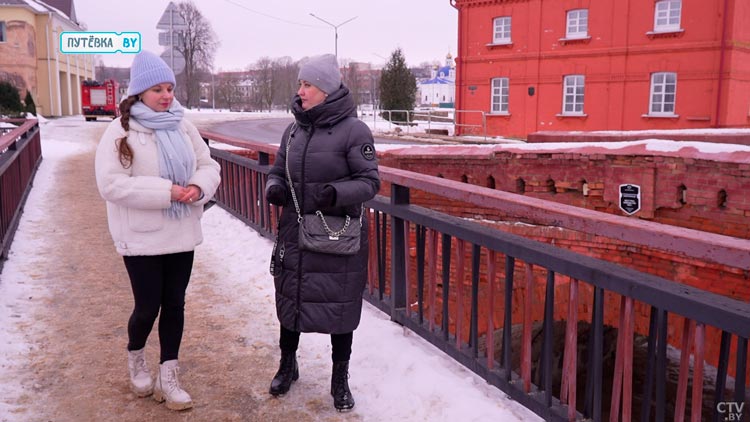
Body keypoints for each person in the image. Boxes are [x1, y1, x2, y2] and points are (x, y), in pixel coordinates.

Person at [94, 50, 221, 411]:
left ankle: (169, 373)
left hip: (181, 232)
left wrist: (198, 187)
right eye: (157, 89)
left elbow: (207, 165)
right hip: (142, 237)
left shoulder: (183, 125)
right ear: (138, 93)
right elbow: (111, 185)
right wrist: (168, 192)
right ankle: (136, 358)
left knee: (175, 305)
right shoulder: (119, 131)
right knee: (148, 307)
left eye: (170, 88)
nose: (166, 96)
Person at [264, 54, 380, 411]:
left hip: (336, 236)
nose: (300, 91)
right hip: (294, 232)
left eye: (307, 84)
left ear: (326, 90)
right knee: (291, 299)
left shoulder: (354, 131)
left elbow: (370, 182)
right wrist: (274, 188)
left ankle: (339, 379)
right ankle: (288, 364)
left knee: (339, 307)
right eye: (300, 84)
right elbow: (278, 170)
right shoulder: (294, 129)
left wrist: (334, 194)